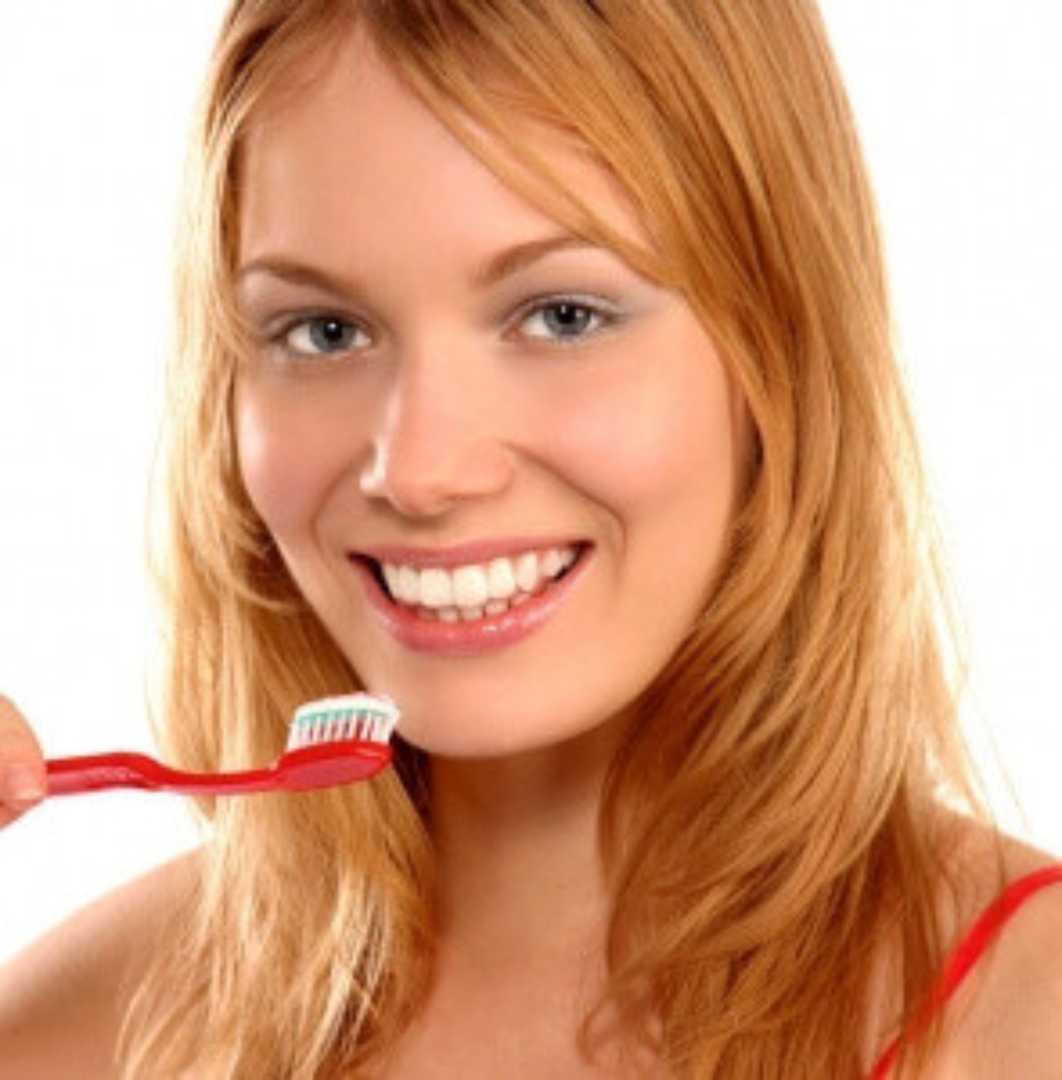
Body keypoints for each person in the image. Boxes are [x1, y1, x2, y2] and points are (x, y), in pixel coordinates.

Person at [0, 1, 1059, 1076]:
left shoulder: (1028, 1018)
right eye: (324, 332)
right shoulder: (69, 1037)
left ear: (777, 348)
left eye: (561, 316)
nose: (416, 469)